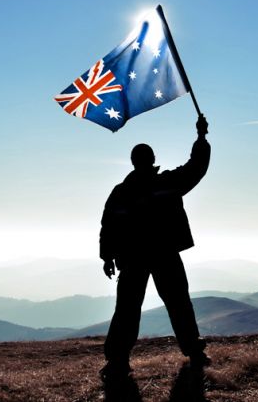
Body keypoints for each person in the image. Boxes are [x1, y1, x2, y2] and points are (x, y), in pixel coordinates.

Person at [99, 115, 211, 382]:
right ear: (150, 159)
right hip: (162, 253)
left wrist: (107, 256)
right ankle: (194, 351)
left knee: (130, 309)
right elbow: (195, 168)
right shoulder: (165, 183)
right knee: (177, 304)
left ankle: (117, 361)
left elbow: (108, 226)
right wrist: (202, 138)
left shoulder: (122, 191)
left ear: (135, 161)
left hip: (136, 257)